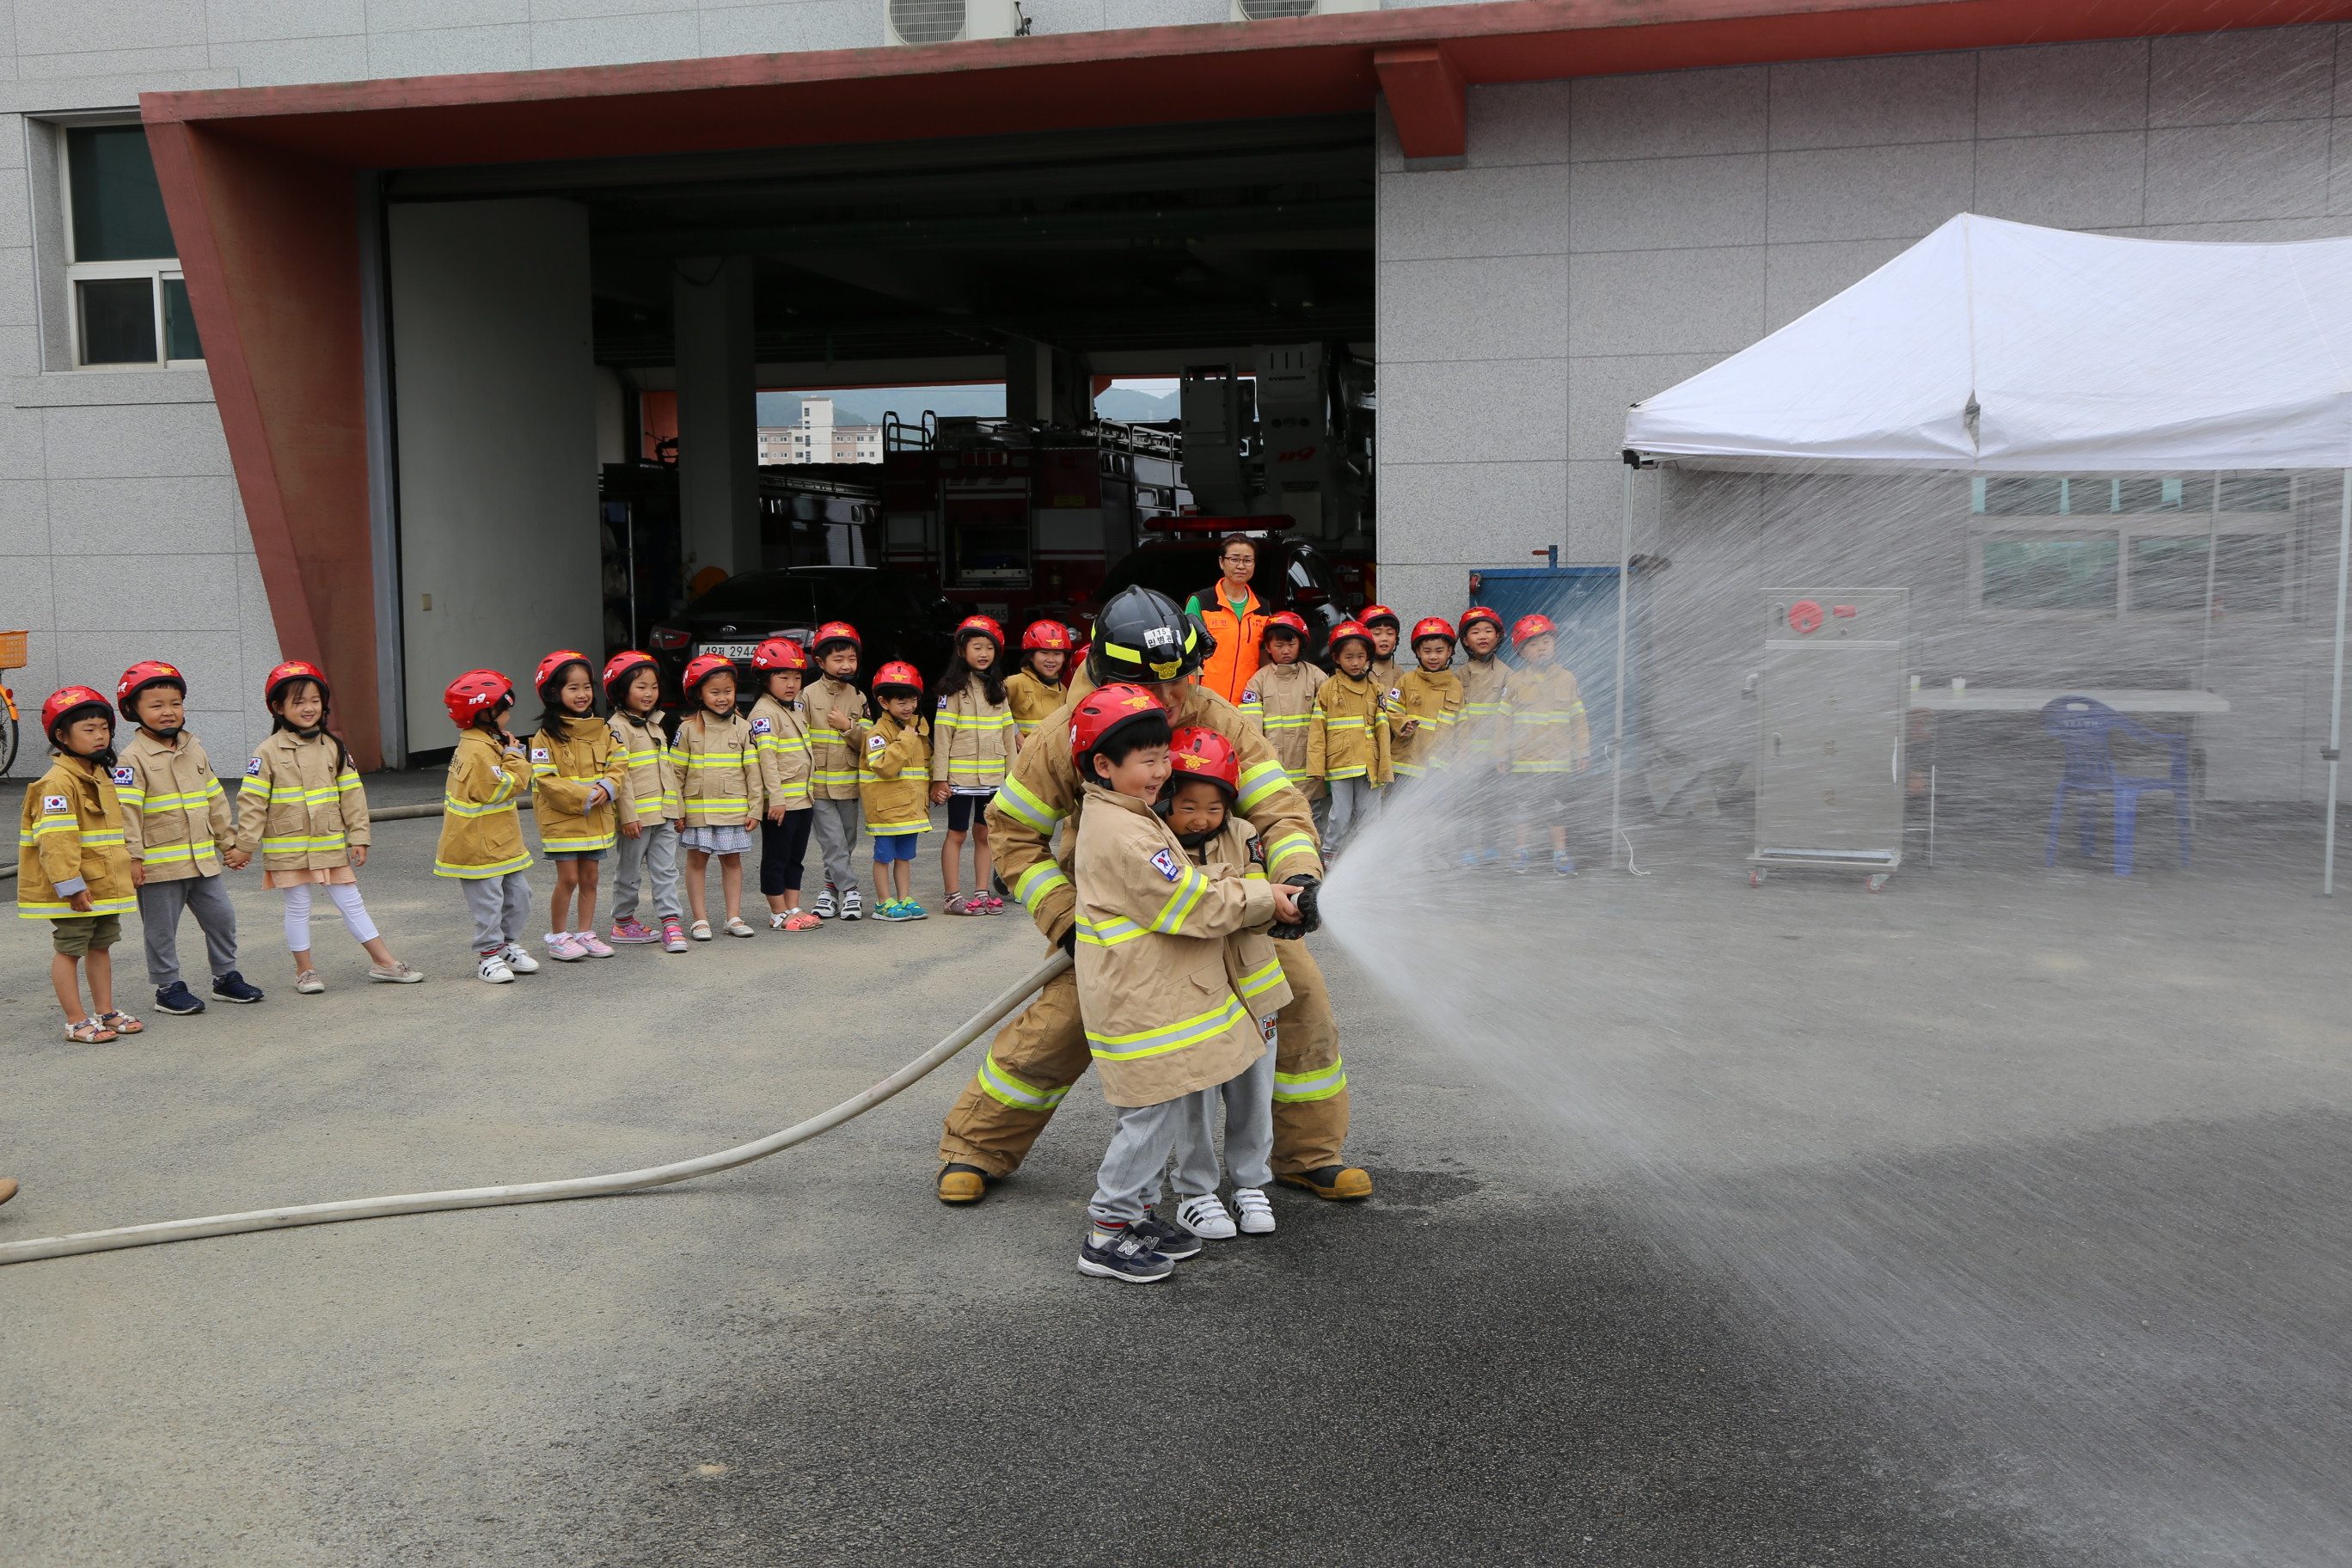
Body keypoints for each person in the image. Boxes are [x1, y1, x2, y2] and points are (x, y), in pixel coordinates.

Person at [937, 585, 1368, 1206]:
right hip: (1123, 916)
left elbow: (1279, 808)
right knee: (1058, 1029)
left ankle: (1309, 1156)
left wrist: (1298, 877)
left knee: (1299, 1001)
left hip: (1232, 907)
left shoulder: (1217, 715)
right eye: (1149, 685)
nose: (1171, 700)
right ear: (1108, 673)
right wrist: (1064, 918)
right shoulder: (1068, 733)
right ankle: (977, 1148)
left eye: (1181, 679)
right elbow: (1013, 833)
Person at [1066, 687, 1302, 1283]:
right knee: (1148, 1118)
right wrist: (1263, 896)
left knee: (1163, 1108)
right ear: (1104, 765)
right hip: (1140, 1003)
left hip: (1151, 996)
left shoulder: (1129, 816)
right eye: (1147, 761)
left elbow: (1189, 884)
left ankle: (1141, 1215)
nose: (1160, 772)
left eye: (1162, 758)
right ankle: (1108, 1232)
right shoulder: (1126, 832)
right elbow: (1189, 901)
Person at [1156, 724, 1291, 1240]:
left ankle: (1251, 1183)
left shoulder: (1245, 834)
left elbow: (1255, 902)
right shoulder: (1153, 842)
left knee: (1254, 1092)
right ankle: (1195, 1191)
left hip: (1255, 989)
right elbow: (1186, 908)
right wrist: (1242, 895)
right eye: (1188, 806)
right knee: (1195, 1093)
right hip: (1192, 992)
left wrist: (1281, 900)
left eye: (1214, 808)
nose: (1201, 819)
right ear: (1165, 798)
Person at [237, 661, 420, 992]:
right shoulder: (267, 752)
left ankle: (384, 963)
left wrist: (359, 836)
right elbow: (252, 801)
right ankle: (305, 971)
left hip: (329, 843)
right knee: (298, 907)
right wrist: (245, 845)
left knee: (352, 902)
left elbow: (352, 795)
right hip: (288, 849)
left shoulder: (334, 747)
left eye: (315, 700)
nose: (309, 708)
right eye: (298, 702)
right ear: (278, 708)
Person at [113, 659, 263, 1014]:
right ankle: (167, 987)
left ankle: (225, 977)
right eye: (157, 705)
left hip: (202, 861)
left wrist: (228, 842)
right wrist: (132, 857)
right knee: (161, 931)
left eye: (175, 703)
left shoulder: (195, 749)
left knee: (222, 919)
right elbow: (126, 814)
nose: (168, 712)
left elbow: (214, 800)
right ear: (133, 711)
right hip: (159, 866)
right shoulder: (131, 759)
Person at [20, 687, 142, 1042]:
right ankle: (76, 1020)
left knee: (101, 945)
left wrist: (130, 861)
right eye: (88, 729)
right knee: (70, 948)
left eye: (104, 727)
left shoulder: (100, 774)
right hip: (78, 889)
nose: (100, 735)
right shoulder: (57, 783)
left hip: (103, 884)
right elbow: (56, 842)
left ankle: (105, 1012)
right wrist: (70, 886)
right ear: (61, 735)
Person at [438, 670, 541, 983]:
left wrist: (506, 752)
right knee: (489, 904)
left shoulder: (487, 743)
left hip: (499, 842)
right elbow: (503, 787)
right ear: (485, 714)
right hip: (477, 847)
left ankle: (506, 945)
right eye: (505, 710)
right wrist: (515, 756)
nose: (509, 716)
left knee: (519, 895)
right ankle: (488, 956)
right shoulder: (478, 751)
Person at [527, 649, 624, 961]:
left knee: (590, 879)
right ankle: (558, 937)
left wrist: (607, 787)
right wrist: (586, 795)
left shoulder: (604, 730)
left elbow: (619, 763)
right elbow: (545, 780)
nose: (582, 694)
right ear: (554, 693)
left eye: (586, 687)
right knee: (568, 879)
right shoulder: (544, 737)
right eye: (573, 688)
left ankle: (585, 933)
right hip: (563, 822)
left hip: (596, 819)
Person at [602, 650, 688, 953]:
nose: (649, 693)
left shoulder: (655, 725)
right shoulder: (616, 728)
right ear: (620, 690)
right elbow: (620, 777)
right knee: (629, 873)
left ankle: (671, 924)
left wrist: (678, 810)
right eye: (641, 687)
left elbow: (668, 772)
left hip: (664, 816)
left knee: (666, 872)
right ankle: (623, 923)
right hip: (636, 820)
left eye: (653, 686)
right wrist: (627, 816)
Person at [673, 653, 762, 940]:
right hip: (697, 811)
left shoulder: (744, 728)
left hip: (733, 810)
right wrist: (677, 810)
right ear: (699, 694)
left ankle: (733, 917)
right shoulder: (687, 729)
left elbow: (754, 772)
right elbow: (675, 773)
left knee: (732, 862)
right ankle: (699, 919)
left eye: (728, 691)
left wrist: (755, 808)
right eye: (714, 692)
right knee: (697, 862)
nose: (722, 698)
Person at [931, 615, 1014, 916]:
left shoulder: (998, 689)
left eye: (989, 648)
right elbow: (942, 736)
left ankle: (981, 892)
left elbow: (1008, 735)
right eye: (977, 647)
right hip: (960, 778)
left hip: (993, 776)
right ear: (961, 650)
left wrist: (1012, 779)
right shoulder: (951, 690)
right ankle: (952, 896)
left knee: (984, 834)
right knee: (957, 834)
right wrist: (939, 779)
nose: (983, 654)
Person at [1503, 613, 1591, 876]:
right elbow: (1503, 723)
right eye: (1533, 644)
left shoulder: (1567, 679)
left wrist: (1582, 752)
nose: (1541, 648)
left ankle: (1560, 853)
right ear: (1521, 652)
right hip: (1525, 761)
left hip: (1558, 761)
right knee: (1523, 808)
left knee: (1558, 809)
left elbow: (1579, 720)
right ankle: (1521, 851)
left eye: (1546, 641)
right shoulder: (1515, 682)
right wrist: (1501, 754)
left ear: (1555, 645)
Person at [748, 637, 820, 932]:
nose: (792, 684)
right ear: (765, 680)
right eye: (783, 677)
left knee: (795, 858)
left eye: (797, 677)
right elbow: (767, 760)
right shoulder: (764, 713)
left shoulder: (793, 708)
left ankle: (793, 907)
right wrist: (775, 798)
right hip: (781, 804)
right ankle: (778, 912)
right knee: (776, 857)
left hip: (802, 799)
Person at [1307, 619, 1391, 858]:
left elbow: (1383, 728)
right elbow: (1317, 729)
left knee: (1370, 816)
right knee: (1340, 816)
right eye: (1349, 657)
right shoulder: (1328, 689)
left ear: (1368, 657)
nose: (1355, 663)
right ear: (1336, 658)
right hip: (1340, 763)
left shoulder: (1375, 689)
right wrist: (1316, 765)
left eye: (1360, 656)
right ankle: (1330, 854)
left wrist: (1385, 764)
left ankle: (1368, 857)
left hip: (1369, 764)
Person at [803, 622, 868, 922]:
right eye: (838, 659)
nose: (846, 665)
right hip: (817, 785)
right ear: (820, 662)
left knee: (846, 841)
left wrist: (848, 727)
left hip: (849, 784)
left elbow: (868, 742)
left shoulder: (859, 697)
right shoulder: (806, 696)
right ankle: (851, 891)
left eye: (851, 659)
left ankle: (829, 890)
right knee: (833, 842)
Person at [860, 659, 934, 922]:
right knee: (883, 857)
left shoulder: (917, 727)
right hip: (886, 811)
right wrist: (905, 740)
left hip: (911, 809)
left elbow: (925, 764)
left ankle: (904, 898)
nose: (909, 706)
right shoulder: (877, 733)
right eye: (901, 702)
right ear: (883, 702)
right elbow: (884, 767)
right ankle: (883, 902)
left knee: (904, 857)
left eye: (913, 700)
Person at [1237, 609, 1323, 803]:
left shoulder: (1316, 677)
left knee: (1313, 816)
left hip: (1310, 772)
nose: (1285, 650)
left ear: (1301, 644)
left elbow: (1328, 721)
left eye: (1291, 644)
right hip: (1274, 771)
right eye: (1279, 645)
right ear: (1268, 647)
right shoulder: (1257, 681)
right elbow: (1252, 730)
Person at [1452, 605, 1512, 867]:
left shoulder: (1508, 674)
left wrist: (1504, 753)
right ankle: (1466, 848)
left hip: (1493, 757)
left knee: (1492, 805)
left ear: (1498, 636)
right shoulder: (1459, 676)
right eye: (1475, 632)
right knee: (1465, 805)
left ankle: (1490, 847)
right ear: (1465, 641)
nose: (1483, 636)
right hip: (1466, 756)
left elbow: (1510, 720)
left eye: (1488, 630)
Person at [1185, 533, 1270, 707]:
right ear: (1221, 562)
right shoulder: (1200, 602)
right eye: (1234, 559)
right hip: (1206, 701)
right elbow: (1186, 653)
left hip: (1248, 703)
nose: (1241, 566)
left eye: (1248, 560)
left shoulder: (1262, 607)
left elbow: (1265, 655)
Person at [1386, 617, 1467, 791]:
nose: (1433, 656)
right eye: (1427, 651)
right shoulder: (1406, 681)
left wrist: (1461, 759)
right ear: (1418, 651)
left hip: (1439, 767)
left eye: (1439, 651)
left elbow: (1462, 727)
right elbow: (1391, 710)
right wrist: (1403, 724)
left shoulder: (1455, 686)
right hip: (1407, 764)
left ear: (1449, 651)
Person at [1004, 620, 1072, 748]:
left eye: (1057, 654)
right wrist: (1015, 733)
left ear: (1064, 658)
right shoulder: (1014, 683)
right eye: (1044, 653)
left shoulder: (1063, 690)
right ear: (1030, 656)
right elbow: (995, 714)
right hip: (1021, 755)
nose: (1051, 660)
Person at [1360, 603, 1406, 690]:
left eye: (1390, 633)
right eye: (1377, 633)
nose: (1384, 638)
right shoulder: (1358, 669)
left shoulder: (1398, 670)